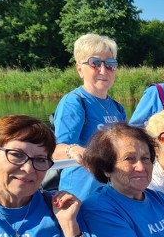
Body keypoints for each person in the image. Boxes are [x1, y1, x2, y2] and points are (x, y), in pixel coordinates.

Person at [52, 33, 127, 200]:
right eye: (95, 63)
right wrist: (74, 150)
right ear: (80, 69)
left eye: (110, 64)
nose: (103, 70)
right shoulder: (74, 102)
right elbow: (56, 150)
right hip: (80, 195)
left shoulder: (117, 107)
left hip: (113, 194)